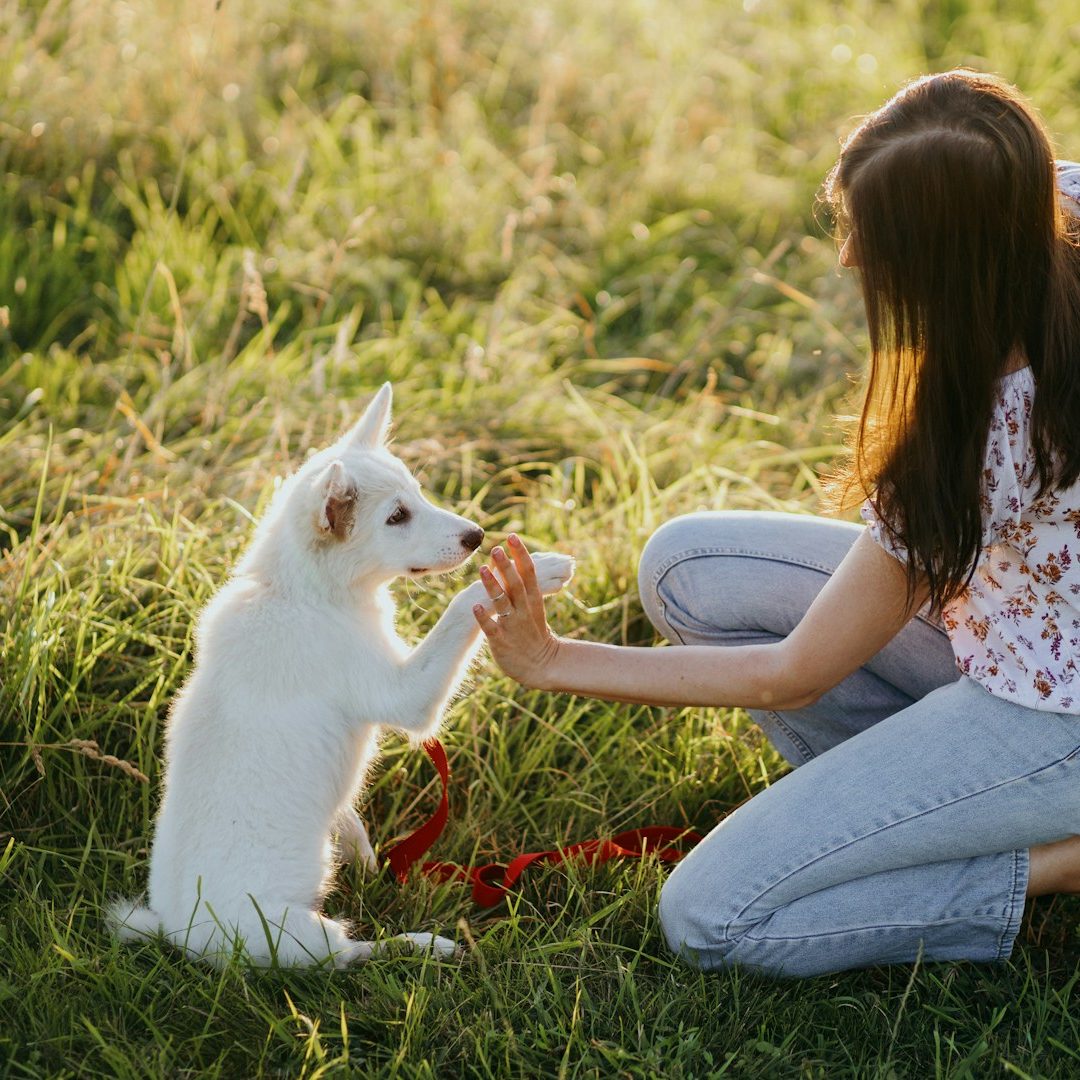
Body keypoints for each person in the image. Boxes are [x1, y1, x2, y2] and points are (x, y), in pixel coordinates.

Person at [470, 70, 1080, 978]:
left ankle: (1048, 863)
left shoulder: (978, 437)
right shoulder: (1054, 205)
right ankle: (896, 813)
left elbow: (792, 676)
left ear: (948, 260)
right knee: (690, 568)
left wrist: (552, 662)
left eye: (873, 245)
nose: (847, 263)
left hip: (1050, 720)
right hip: (1025, 627)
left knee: (712, 915)